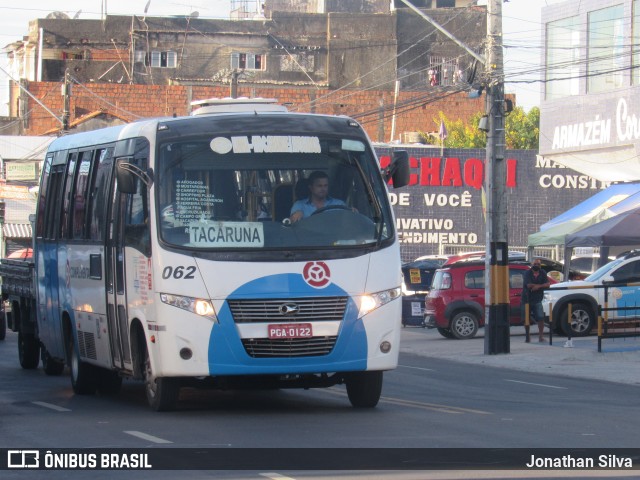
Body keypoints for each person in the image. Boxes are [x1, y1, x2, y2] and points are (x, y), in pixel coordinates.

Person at [521, 258, 551, 343]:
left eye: (538, 264)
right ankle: (527, 337)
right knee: (526, 318)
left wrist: (538, 286)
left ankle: (541, 337)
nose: (536, 266)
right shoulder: (527, 273)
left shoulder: (543, 272)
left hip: (538, 299)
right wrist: (542, 285)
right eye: (535, 264)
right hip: (526, 299)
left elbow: (548, 284)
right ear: (531, 265)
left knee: (540, 317)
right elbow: (529, 285)